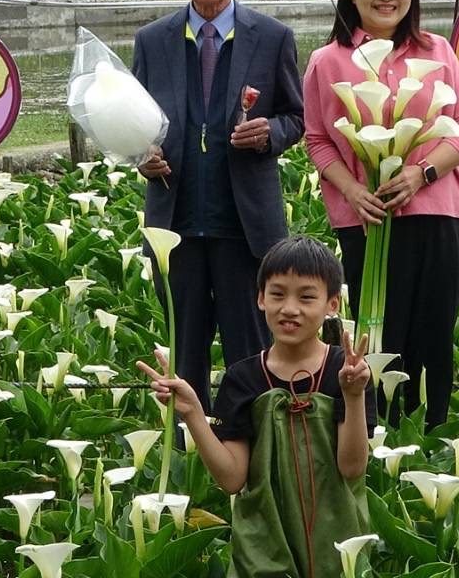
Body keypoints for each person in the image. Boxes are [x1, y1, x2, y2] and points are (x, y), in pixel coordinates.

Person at [301, 0, 459, 428]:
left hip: (436, 209)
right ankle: (377, 435)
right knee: (379, 331)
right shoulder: (328, 60)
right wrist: (353, 190)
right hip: (366, 217)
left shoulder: (437, 50)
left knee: (433, 330)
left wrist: (420, 173)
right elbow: (317, 140)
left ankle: (432, 432)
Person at [133, 0, 306, 412]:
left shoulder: (272, 37)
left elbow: (297, 117)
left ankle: (246, 449)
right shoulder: (152, 41)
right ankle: (188, 453)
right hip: (176, 225)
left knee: (249, 351)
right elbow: (134, 121)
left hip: (244, 225)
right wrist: (140, 155)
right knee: (183, 352)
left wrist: (268, 132)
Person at [139, 235, 374, 578]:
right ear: (260, 298)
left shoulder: (347, 372)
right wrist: (192, 414)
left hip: (337, 545)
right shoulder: (243, 378)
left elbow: (351, 469)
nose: (289, 308)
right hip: (264, 550)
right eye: (277, 294)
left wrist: (354, 396)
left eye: (307, 297)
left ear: (332, 304)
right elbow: (233, 479)